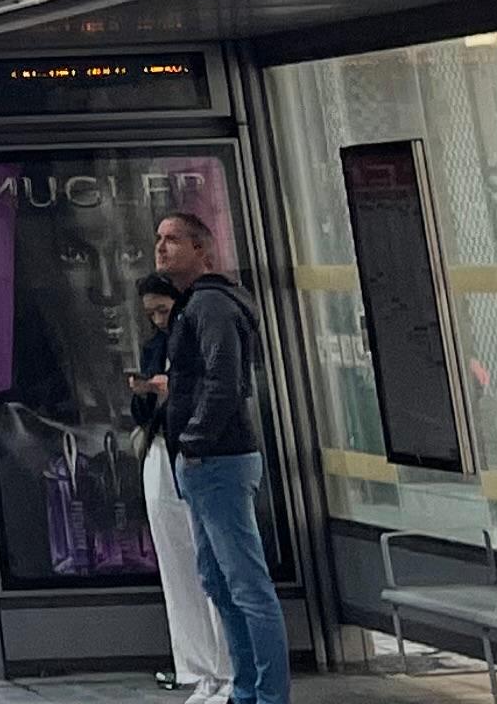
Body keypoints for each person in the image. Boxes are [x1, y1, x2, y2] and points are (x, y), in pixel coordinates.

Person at [155, 211, 285, 704]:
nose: (162, 248)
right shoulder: (196, 304)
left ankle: (269, 694)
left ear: (202, 251)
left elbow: (224, 380)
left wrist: (194, 440)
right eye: (159, 240)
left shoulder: (210, 304)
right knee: (218, 581)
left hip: (218, 461)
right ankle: (247, 689)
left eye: (173, 240)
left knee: (247, 585)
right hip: (206, 462)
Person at [131, 275, 231, 704]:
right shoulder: (156, 344)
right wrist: (144, 392)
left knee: (212, 559)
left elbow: (221, 387)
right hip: (159, 445)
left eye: (162, 311)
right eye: (151, 314)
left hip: (195, 449)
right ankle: (199, 668)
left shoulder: (202, 332)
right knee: (176, 562)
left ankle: (229, 667)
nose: (157, 320)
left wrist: (175, 390)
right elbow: (139, 411)